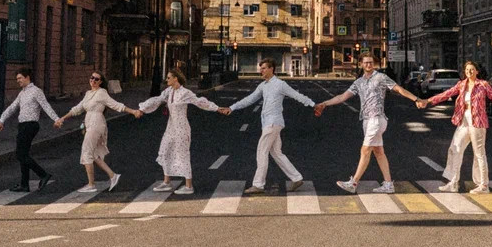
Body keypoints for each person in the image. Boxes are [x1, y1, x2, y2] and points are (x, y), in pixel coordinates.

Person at [317, 53, 421, 194]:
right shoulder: (359, 82)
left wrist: (416, 99)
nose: (368, 65)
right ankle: (388, 184)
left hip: (377, 119)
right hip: (366, 120)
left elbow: (398, 89)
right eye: (366, 62)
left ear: (375, 64)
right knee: (379, 152)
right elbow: (342, 97)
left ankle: (353, 183)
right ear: (361, 64)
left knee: (365, 150)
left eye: (371, 62)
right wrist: (325, 103)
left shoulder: (381, 77)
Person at [416, 59, 492, 193]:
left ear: (477, 71)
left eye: (472, 69)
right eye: (467, 70)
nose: (469, 72)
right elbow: (446, 94)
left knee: (479, 154)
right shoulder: (461, 84)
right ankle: (453, 182)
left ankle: (483, 185)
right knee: (454, 148)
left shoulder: (483, 85)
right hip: (464, 120)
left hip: (478, 122)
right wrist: (427, 101)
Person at [222, 58, 315, 195]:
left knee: (261, 151)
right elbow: (250, 98)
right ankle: (296, 178)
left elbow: (296, 95)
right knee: (276, 153)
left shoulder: (280, 84)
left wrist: (313, 105)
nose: (261, 71)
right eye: (261, 68)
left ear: (272, 69)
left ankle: (258, 185)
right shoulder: (263, 86)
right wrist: (232, 107)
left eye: (264, 68)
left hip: (272, 123)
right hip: (269, 123)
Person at [138, 69, 220, 195]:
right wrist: (142, 109)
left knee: (183, 155)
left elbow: (199, 102)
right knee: (165, 151)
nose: (167, 80)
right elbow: (157, 100)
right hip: (171, 127)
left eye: (169, 77)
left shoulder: (185, 93)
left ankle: (188, 186)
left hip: (182, 128)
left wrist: (217, 108)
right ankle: (167, 182)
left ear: (176, 78)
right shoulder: (169, 91)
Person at [60, 72, 139, 194]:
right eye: (92, 78)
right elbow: (77, 108)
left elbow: (116, 105)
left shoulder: (102, 93)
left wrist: (133, 111)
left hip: (96, 124)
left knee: (86, 152)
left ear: (101, 82)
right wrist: (63, 118)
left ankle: (91, 184)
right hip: (89, 123)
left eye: (96, 79)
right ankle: (113, 176)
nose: (93, 80)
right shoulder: (88, 94)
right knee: (94, 154)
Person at [0, 68, 62, 193]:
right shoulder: (22, 93)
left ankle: (43, 174)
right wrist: (1, 120)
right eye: (17, 79)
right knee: (23, 154)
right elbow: (12, 107)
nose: (18, 81)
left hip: (30, 125)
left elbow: (46, 106)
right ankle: (24, 184)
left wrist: (56, 119)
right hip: (22, 125)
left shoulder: (36, 91)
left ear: (27, 77)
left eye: (20, 78)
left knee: (20, 154)